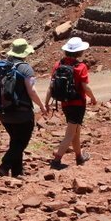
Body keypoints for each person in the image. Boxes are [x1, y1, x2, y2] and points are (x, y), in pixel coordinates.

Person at [0, 38, 46, 177]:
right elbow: (32, 91)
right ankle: (4, 165)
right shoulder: (25, 68)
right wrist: (41, 106)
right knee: (21, 142)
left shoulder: (0, 67)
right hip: (22, 113)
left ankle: (17, 172)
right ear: (24, 53)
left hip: (4, 114)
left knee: (15, 141)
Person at [44, 36, 97, 169]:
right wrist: (93, 98)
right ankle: (57, 160)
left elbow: (51, 86)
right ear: (79, 52)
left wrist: (46, 102)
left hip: (65, 103)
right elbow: (85, 87)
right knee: (70, 133)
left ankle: (79, 157)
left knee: (75, 131)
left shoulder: (58, 65)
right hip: (78, 104)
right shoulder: (80, 67)